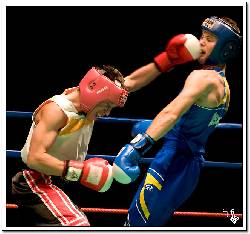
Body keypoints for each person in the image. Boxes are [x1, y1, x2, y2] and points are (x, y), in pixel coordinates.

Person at [112, 16, 242, 226]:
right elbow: (191, 127)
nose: (200, 42)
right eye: (202, 36)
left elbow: (172, 113)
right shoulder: (224, 86)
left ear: (226, 48)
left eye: (209, 39)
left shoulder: (202, 78)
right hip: (188, 164)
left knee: (137, 224)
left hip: (172, 161)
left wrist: (136, 148)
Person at [11, 65, 129, 226]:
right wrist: (80, 171)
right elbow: (35, 158)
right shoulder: (56, 110)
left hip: (58, 182)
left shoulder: (86, 107)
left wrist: (165, 62)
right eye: (107, 106)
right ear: (94, 94)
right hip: (35, 180)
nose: (107, 113)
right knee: (77, 226)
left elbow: (133, 81)